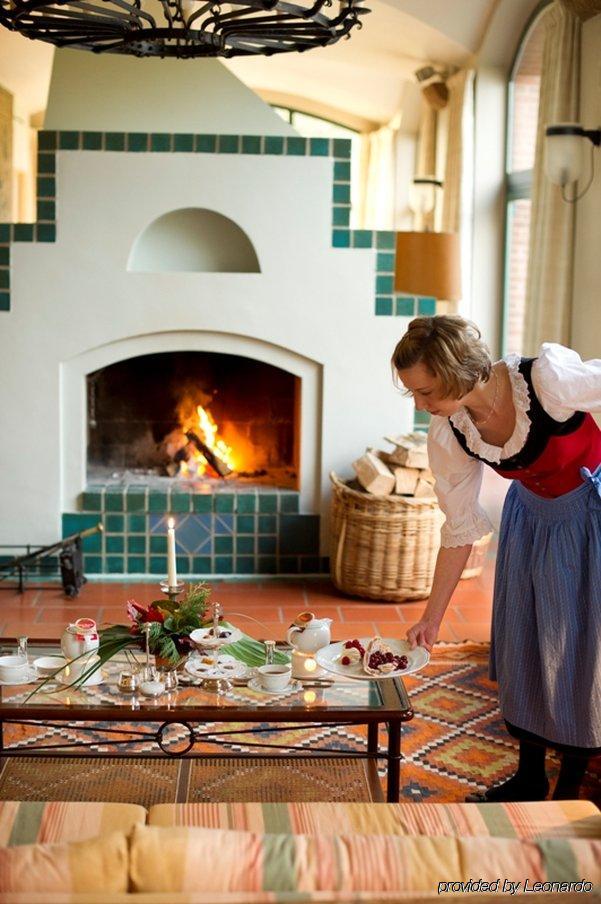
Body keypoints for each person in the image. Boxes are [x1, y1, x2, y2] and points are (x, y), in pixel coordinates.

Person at [391, 314, 601, 802]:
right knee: (524, 639)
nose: (420, 405)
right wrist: (431, 617)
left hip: (589, 516)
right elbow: (459, 528)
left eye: (424, 392)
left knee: (579, 646)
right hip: (530, 519)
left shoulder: (546, 379)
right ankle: (529, 778)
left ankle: (569, 790)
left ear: (454, 373)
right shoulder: (453, 429)